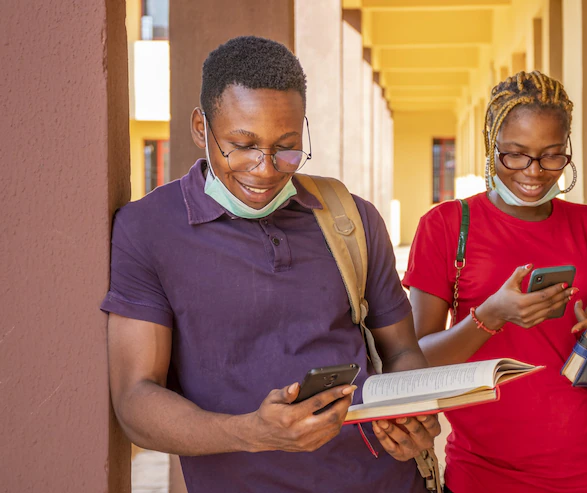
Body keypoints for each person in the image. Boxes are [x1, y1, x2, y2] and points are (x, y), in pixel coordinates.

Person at [102, 36, 440, 493]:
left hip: (387, 482)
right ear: (201, 129)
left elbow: (401, 349)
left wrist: (413, 409)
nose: (264, 169)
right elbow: (134, 400)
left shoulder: (349, 217)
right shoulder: (147, 229)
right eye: (241, 146)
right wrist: (252, 433)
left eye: (286, 148)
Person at [403, 71, 587, 493]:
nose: (535, 171)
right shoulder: (447, 226)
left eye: (552, 155)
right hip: (485, 474)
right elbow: (413, 365)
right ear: (492, 146)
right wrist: (490, 316)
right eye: (516, 155)